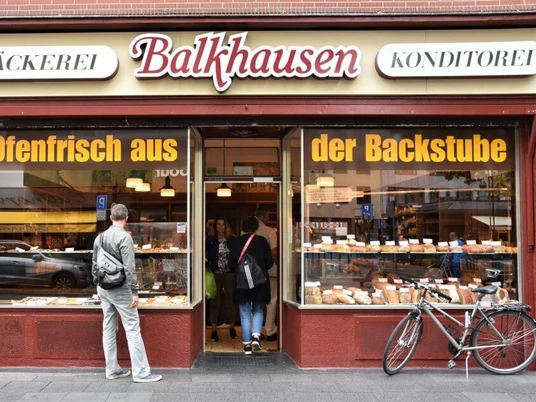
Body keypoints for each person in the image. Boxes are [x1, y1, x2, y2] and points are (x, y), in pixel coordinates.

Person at [92, 203, 162, 383]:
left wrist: (97, 288)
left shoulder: (99, 238)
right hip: (121, 289)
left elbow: (94, 265)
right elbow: (130, 268)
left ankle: (112, 369)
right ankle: (141, 372)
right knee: (132, 329)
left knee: (108, 328)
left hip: (104, 288)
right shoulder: (125, 238)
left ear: (110, 218)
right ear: (127, 218)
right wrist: (135, 292)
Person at [229, 216, 274, 355]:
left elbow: (231, 264)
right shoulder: (262, 241)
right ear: (256, 228)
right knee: (258, 309)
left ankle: (247, 345)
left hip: (242, 283)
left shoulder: (237, 242)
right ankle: (256, 336)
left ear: (243, 227)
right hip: (259, 282)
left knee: (244, 313)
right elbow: (270, 262)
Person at [205, 217, 237, 341]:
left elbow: (237, 254)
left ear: (226, 226)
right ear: (215, 226)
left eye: (223, 224)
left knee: (230, 301)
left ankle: (232, 327)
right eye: (218, 224)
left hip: (229, 273)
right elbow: (203, 252)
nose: (221, 226)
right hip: (215, 273)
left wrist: (233, 265)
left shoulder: (232, 239)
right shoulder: (210, 239)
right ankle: (214, 330)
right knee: (215, 302)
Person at [254, 207, 278, 342]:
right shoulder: (270, 231)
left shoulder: (246, 231)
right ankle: (269, 331)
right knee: (271, 300)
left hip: (252, 271)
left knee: (255, 300)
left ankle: (255, 331)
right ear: (264, 216)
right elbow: (274, 252)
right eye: (268, 215)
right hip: (270, 270)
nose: (268, 218)